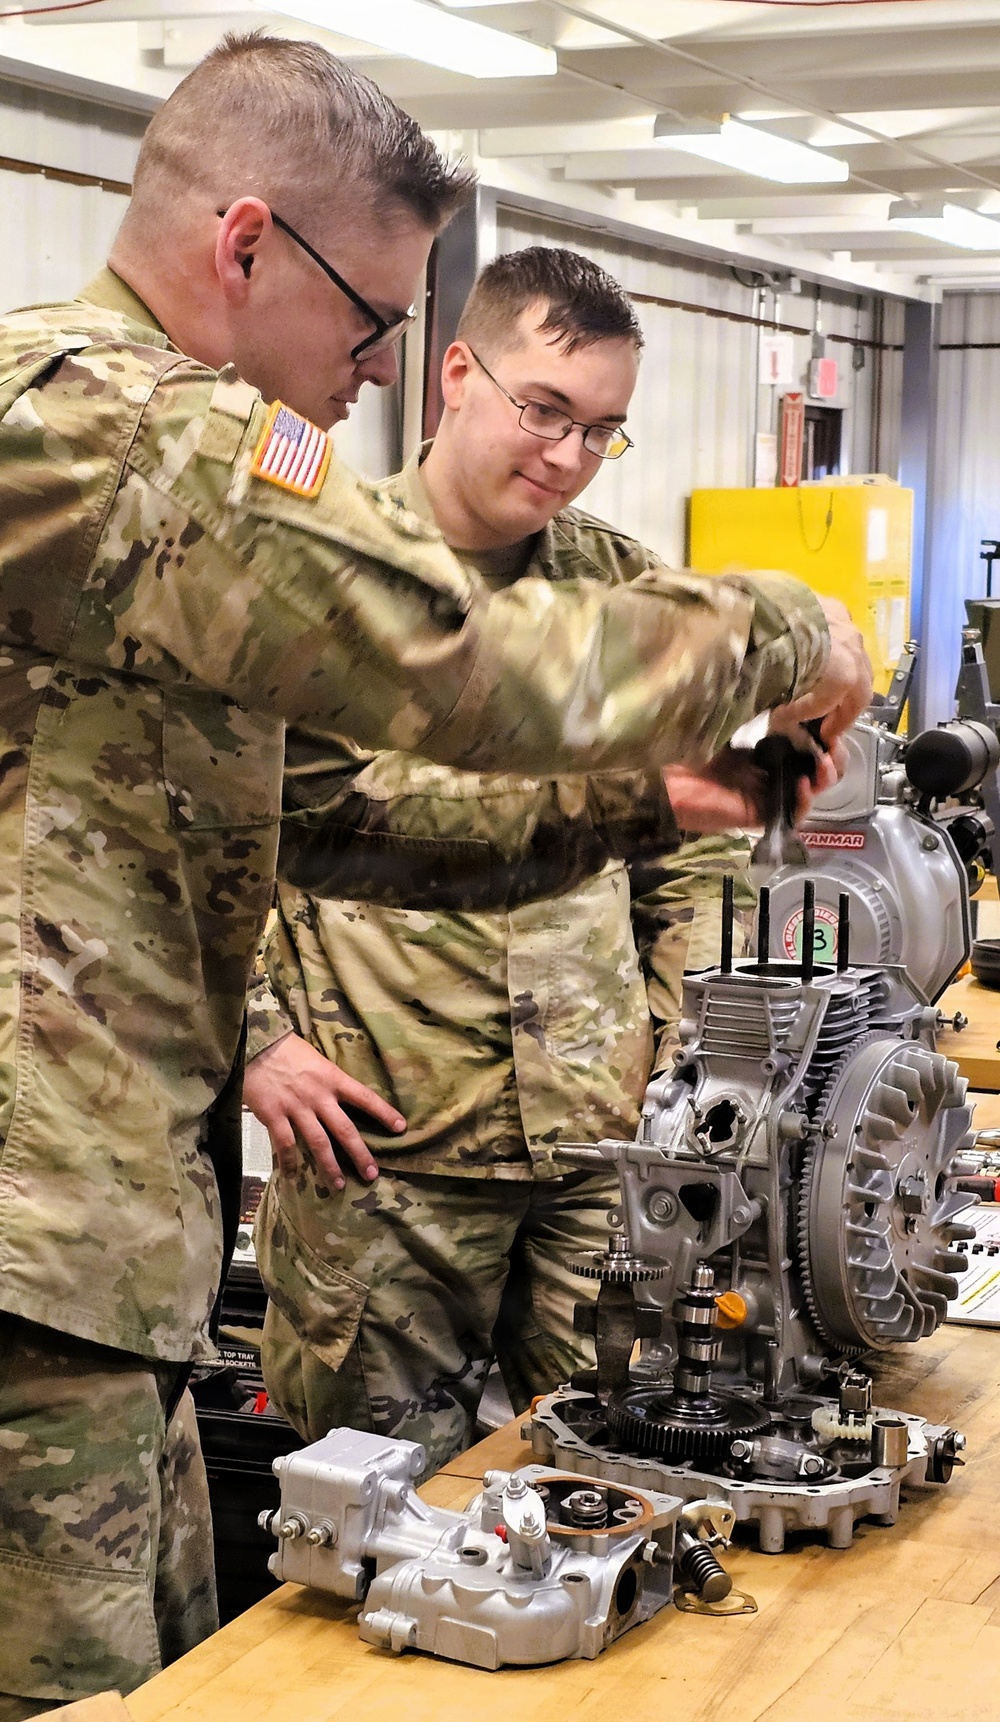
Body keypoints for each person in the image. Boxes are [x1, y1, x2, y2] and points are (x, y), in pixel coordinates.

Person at [0, 28, 870, 1715]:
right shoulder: (98, 429)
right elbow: (448, 651)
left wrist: (649, 803)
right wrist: (792, 623)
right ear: (245, 245)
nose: (384, 364)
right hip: (38, 1254)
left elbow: (351, 809)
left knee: (180, 1677)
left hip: (100, 1267)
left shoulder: (166, 505)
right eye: (372, 318)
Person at [244, 247, 811, 1474]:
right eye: (544, 410)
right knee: (372, 1506)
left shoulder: (624, 595)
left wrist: (677, 1041)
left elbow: (696, 853)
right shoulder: (313, 579)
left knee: (622, 1472)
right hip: (384, 1153)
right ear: (457, 373)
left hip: (600, 1145)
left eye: (601, 430)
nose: (565, 455)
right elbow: (199, 830)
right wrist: (258, 1041)